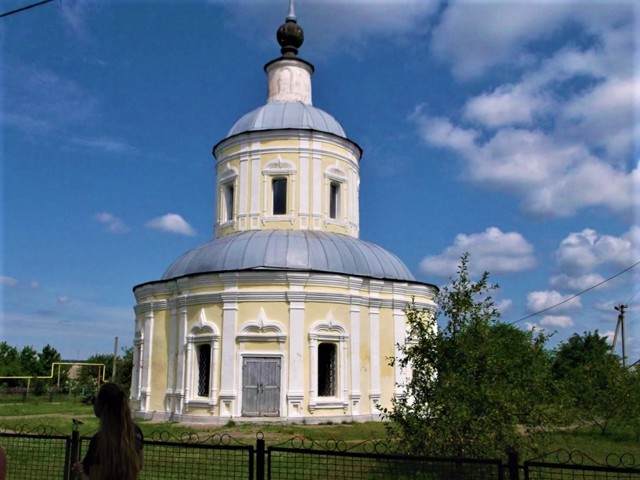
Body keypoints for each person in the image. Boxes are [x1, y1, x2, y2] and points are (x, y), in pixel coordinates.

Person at [73, 383, 143, 480]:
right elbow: (139, 465)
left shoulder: (100, 441)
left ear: (102, 406)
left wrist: (80, 470)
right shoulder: (135, 432)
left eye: (95, 400)